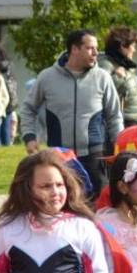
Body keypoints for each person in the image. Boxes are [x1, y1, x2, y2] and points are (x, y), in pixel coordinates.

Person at [20, 29, 124, 193]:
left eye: (96, 48)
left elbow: (114, 116)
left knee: (97, 208)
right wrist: (29, 137)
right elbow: (27, 108)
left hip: (95, 156)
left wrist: (120, 147)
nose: (96, 53)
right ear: (74, 49)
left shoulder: (103, 77)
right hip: (59, 156)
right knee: (62, 205)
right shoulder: (47, 77)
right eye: (90, 48)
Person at [99, 27, 137, 130]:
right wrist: (118, 78)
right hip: (119, 121)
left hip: (130, 120)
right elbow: (101, 91)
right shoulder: (106, 64)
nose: (134, 50)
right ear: (123, 46)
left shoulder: (125, 65)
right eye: (132, 46)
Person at [0, 40, 19, 146]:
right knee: (6, 123)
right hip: (12, 97)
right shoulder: (10, 64)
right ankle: (6, 144)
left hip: (0, 97)